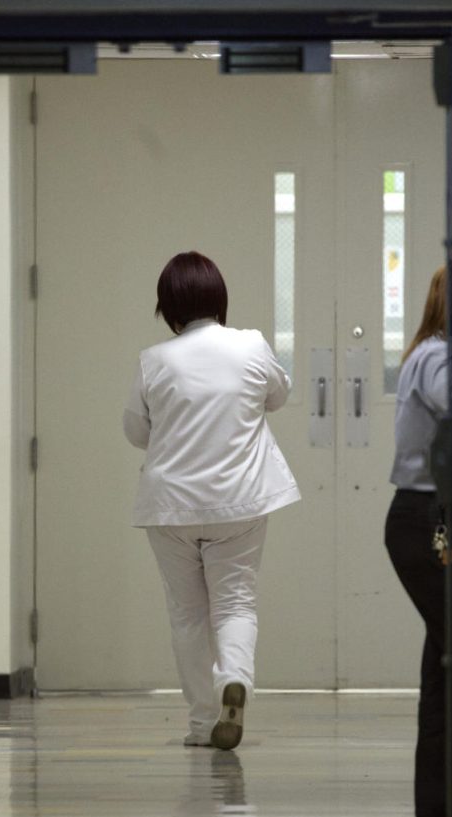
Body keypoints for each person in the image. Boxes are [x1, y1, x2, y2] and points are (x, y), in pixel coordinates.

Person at [124, 251, 301, 751]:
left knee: (187, 614)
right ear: (219, 300)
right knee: (236, 603)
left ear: (168, 307)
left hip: (171, 506)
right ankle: (233, 681)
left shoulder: (154, 360)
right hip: (240, 503)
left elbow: (136, 432)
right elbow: (278, 396)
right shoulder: (251, 346)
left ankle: (203, 722)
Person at [384, 266, 452, 817]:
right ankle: (444, 807)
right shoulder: (436, 357)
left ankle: (436, 811)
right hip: (424, 519)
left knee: (444, 660)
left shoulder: (430, 351)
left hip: (428, 517)